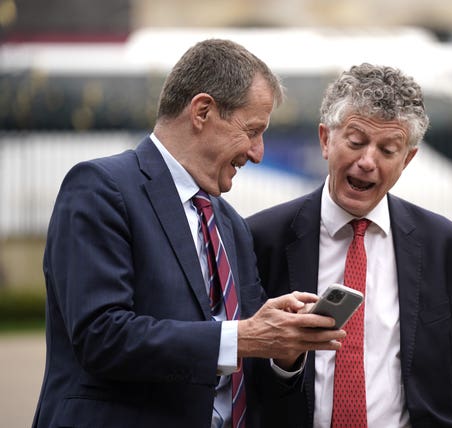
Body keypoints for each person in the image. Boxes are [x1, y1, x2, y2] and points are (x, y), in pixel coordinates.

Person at [32, 38, 345, 428]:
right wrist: (242, 337)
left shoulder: (229, 223)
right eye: (252, 131)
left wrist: (282, 348)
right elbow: (103, 336)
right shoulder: (100, 188)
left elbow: (242, 354)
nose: (258, 152)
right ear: (202, 111)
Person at [246, 63, 452, 427]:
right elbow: (238, 374)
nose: (368, 161)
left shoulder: (448, 246)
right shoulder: (261, 238)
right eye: (356, 142)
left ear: (407, 159)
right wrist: (284, 360)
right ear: (325, 139)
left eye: (388, 149)